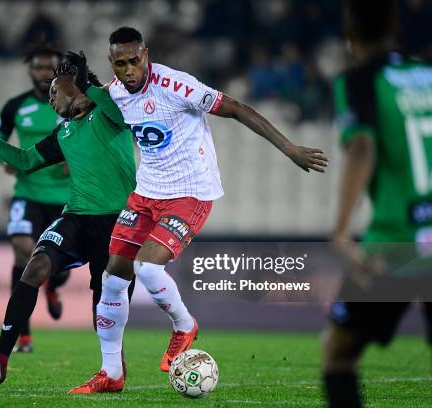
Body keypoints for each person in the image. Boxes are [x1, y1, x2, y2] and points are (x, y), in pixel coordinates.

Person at [67, 27, 328, 394]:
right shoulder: (114, 93)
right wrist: (74, 87)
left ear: (146, 55)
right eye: (121, 64)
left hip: (190, 192)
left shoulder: (175, 85)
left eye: (134, 61)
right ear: (112, 63)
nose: (129, 70)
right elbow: (82, 105)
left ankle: (184, 325)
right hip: (146, 193)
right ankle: (111, 374)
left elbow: (235, 108)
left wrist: (290, 149)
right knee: (113, 278)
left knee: (146, 266)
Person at [0, 62, 136, 385]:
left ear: (72, 88)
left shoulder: (111, 114)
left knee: (103, 311)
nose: (50, 99)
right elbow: (24, 161)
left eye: (55, 91)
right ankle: (0, 360)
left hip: (118, 224)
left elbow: (115, 107)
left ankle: (114, 372)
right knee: (35, 265)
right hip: (77, 217)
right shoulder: (63, 133)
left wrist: (87, 79)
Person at [323, 1, 432, 407]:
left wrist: (339, 230)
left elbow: (362, 147)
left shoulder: (359, 80)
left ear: (350, 33)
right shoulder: (428, 74)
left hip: (396, 243)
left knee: (339, 352)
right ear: (394, 26)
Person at [0, 44, 71, 353]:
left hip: (64, 197)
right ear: (30, 70)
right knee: (22, 250)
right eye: (37, 67)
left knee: (59, 266)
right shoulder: (15, 106)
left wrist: (75, 162)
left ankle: (53, 284)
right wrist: (4, 160)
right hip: (28, 193)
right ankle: (22, 334)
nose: (42, 73)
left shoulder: (73, 104)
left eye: (47, 67)